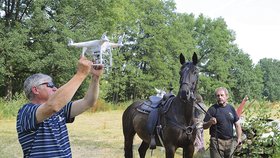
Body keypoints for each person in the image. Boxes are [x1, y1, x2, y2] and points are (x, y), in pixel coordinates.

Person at [16, 56, 104, 157]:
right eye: (50, 84)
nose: (55, 88)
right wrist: (81, 74)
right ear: (36, 90)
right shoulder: (26, 112)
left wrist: (95, 77)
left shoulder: (60, 110)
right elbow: (53, 106)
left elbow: (88, 102)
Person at [203, 87, 242, 158]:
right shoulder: (212, 109)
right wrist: (210, 122)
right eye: (218, 96)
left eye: (222, 95)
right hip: (216, 142)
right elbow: (204, 126)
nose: (220, 97)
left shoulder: (231, 108)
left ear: (227, 96)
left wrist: (239, 138)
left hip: (230, 142)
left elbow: (237, 125)